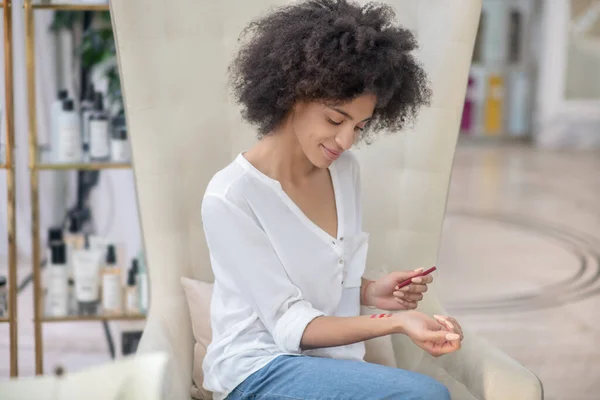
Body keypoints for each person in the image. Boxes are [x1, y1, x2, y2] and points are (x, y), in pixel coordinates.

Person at [200, 1, 464, 399]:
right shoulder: (231, 197)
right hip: (257, 371)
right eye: (335, 120)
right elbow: (293, 325)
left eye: (360, 126)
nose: (346, 141)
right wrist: (396, 322)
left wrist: (369, 291)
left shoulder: (344, 171)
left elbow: (329, 282)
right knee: (424, 395)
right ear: (292, 95)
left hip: (329, 366)